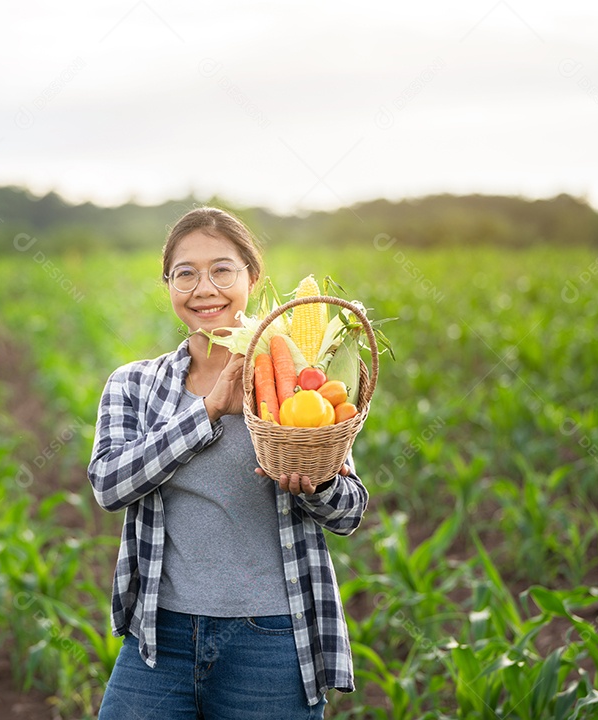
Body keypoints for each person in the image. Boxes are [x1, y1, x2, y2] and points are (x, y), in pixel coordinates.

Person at [87, 207, 369, 719]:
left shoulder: (298, 382)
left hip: (271, 638)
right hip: (160, 635)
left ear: (252, 279)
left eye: (222, 270)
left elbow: (348, 512)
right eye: (185, 274)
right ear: (168, 285)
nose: (204, 288)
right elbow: (109, 485)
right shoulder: (134, 384)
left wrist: (314, 486)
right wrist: (209, 409)